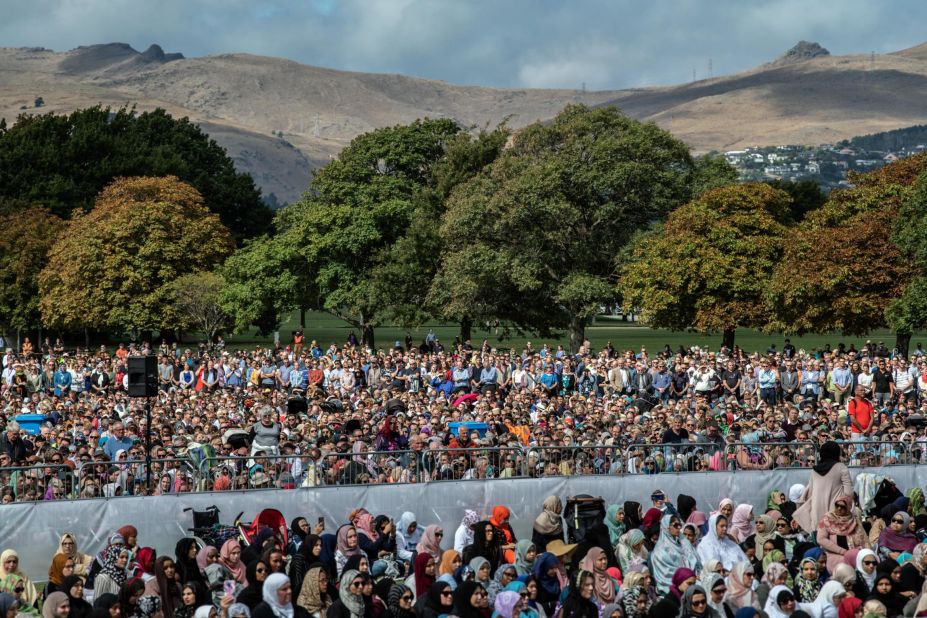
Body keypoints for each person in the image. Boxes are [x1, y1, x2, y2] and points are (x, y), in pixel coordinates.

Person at [794, 441, 854, 535]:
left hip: (816, 512)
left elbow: (810, 492)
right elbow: (848, 493)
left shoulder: (814, 470)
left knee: (819, 541)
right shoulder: (841, 467)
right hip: (836, 511)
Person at [650, 514, 698, 595]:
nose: (679, 528)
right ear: (667, 527)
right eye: (675, 525)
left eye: (680, 525)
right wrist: (686, 577)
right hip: (671, 589)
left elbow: (694, 559)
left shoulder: (682, 542)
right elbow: (667, 573)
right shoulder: (660, 550)